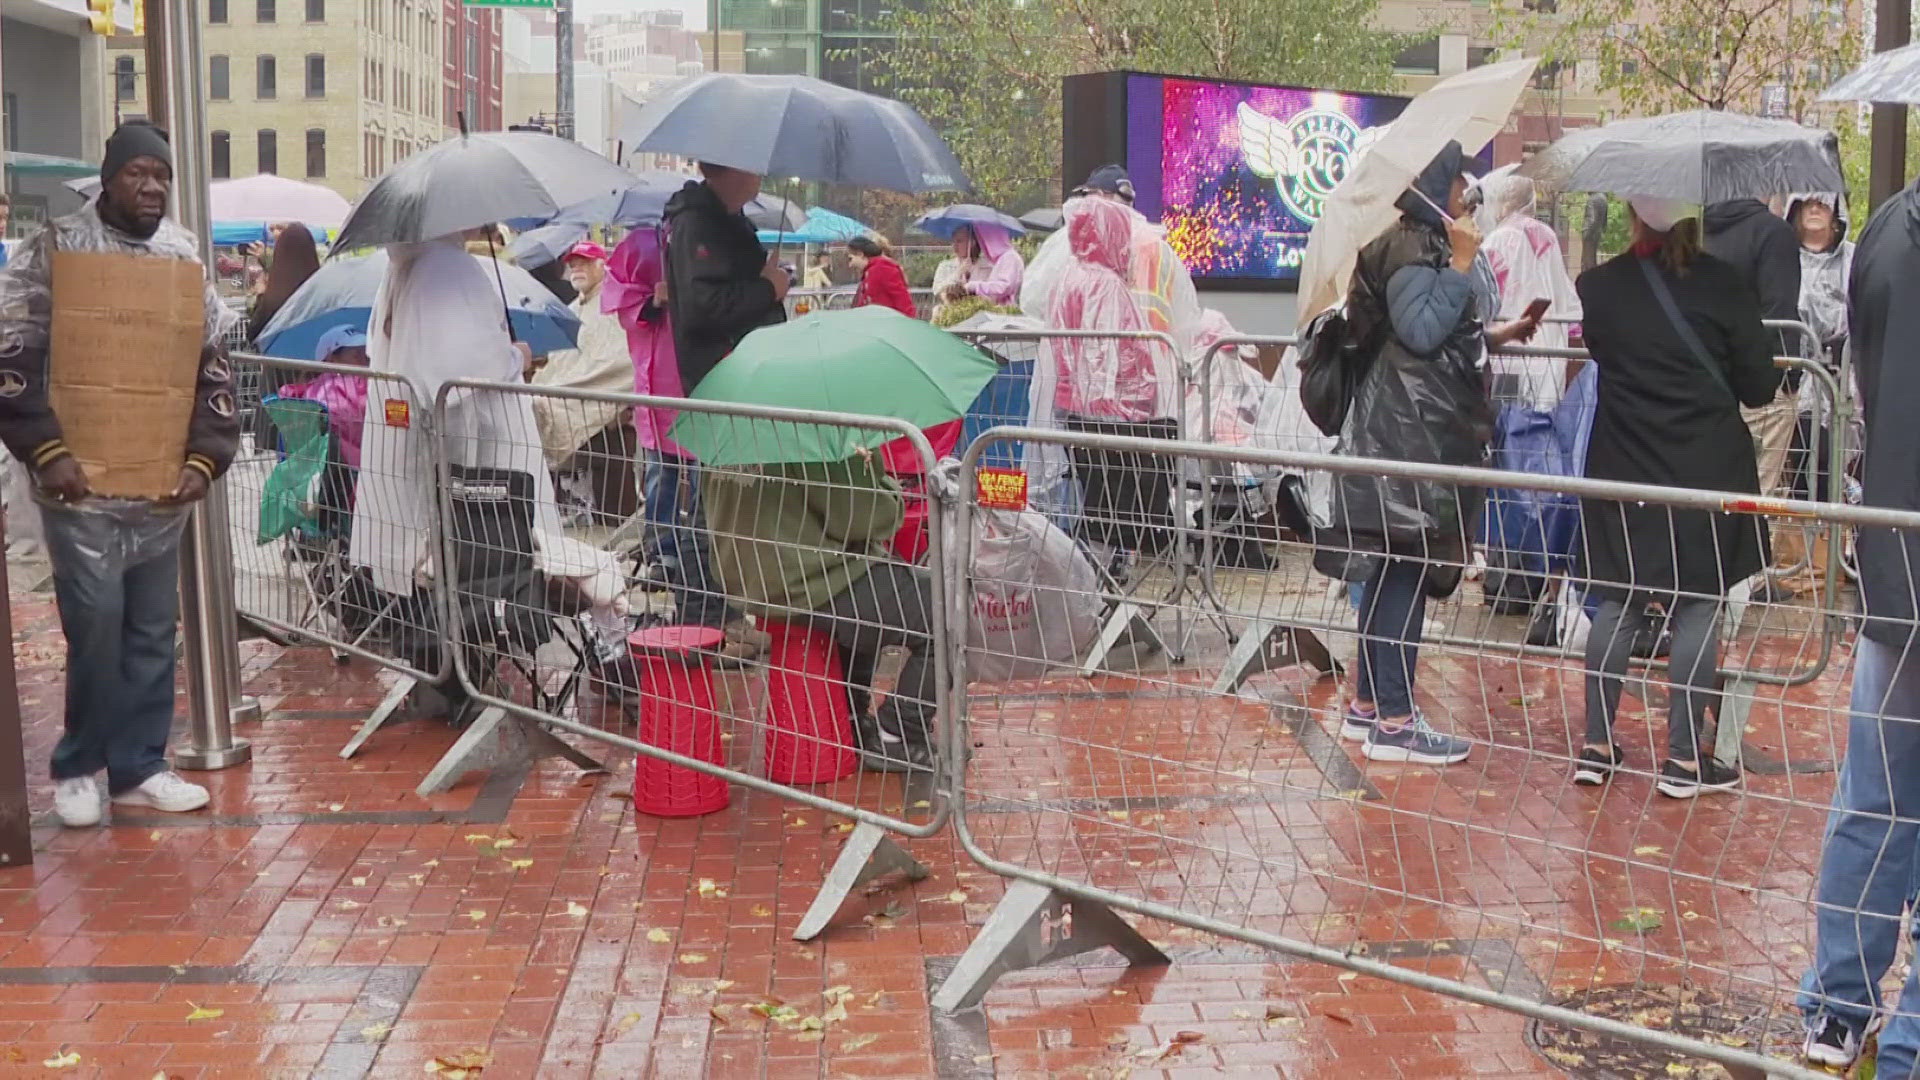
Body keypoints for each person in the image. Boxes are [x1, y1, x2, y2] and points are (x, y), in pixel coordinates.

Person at [0, 121, 241, 826]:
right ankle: (79, 763)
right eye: (137, 172)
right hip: (80, 484)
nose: (152, 186)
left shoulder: (180, 254)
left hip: (162, 485)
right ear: (108, 178)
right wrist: (49, 451)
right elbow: (14, 356)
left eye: (161, 175)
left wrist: (205, 457)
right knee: (96, 626)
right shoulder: (58, 249)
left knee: (150, 628)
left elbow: (210, 361)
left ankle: (139, 765)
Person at [1316, 140, 1540, 767]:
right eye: (1458, 176)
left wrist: (1496, 329)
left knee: (1389, 572)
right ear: (1431, 184)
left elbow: (1426, 330)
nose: (1468, 187)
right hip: (1405, 438)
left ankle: (1369, 707)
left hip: (1401, 431)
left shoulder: (1417, 243)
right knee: (1403, 573)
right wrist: (1463, 264)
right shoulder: (1415, 246)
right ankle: (1394, 719)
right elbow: (1418, 328)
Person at [1571, 196, 1780, 796]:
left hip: (1624, 467)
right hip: (1706, 469)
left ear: (1634, 214)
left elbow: (1605, 357)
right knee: (1697, 604)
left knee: (1618, 598)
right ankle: (1685, 762)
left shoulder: (1599, 288)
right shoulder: (1725, 286)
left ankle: (1595, 745)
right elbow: (1760, 386)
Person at [1796, 172, 1920, 1074]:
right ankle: (1903, 1031)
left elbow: (1870, 376)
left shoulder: (1882, 232)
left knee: (1871, 798)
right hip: (1894, 555)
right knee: (1873, 795)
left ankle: (1838, 1010)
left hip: (1895, 560)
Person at [351, 228, 559, 599]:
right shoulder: (452, 268)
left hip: (417, 429)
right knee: (474, 539)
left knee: (430, 538)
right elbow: (469, 366)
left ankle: (430, 615)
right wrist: (517, 355)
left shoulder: (404, 268)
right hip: (467, 442)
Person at [703, 450, 939, 773]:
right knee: (945, 613)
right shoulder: (821, 428)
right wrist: (886, 485)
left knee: (879, 582)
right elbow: (870, 517)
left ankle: (852, 718)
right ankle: (897, 732)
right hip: (809, 577)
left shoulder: (727, 428)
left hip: (745, 572)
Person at [608, 227, 750, 656]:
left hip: (695, 383)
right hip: (663, 385)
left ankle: (704, 586)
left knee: (700, 483)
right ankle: (664, 552)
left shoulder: (712, 242)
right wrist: (656, 299)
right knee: (662, 476)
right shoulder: (642, 246)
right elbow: (626, 304)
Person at [1044, 196, 1179, 567]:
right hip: (1114, 418)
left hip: (1075, 413)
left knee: (1097, 503)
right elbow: (1115, 356)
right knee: (1118, 505)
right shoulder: (1105, 285)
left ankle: (1092, 573)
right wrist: (1147, 400)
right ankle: (1104, 569)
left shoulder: (1064, 279)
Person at [1704, 196, 1803, 600]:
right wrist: (1784, 376)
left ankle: (1718, 568)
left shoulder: (1702, 230)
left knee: (1718, 475)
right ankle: (1750, 579)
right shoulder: (1773, 232)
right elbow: (1780, 309)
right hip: (1762, 381)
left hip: (1713, 378)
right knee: (1762, 479)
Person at [1025, 165, 1203, 359]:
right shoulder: (1158, 247)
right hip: (1155, 362)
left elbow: (1034, 301)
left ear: (1098, 195)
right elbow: (1185, 316)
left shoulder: (1073, 240)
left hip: (1084, 359)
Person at [1775, 193, 1854, 594]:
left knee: (1837, 461)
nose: (1815, 209)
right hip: (1796, 379)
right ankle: (1805, 554)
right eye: (1806, 202)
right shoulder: (1783, 259)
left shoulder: (1852, 259)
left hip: (1842, 377)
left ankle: (1835, 553)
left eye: (1823, 203)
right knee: (1801, 461)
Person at [529, 242, 640, 524]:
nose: (576, 268)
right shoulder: (570, 309)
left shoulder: (614, 308)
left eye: (584, 262)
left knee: (547, 409)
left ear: (602, 265)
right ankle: (545, 512)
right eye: (573, 263)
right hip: (562, 392)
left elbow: (616, 363)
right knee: (534, 408)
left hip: (599, 402)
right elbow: (560, 360)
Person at [663, 162, 789, 394]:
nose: (760, 173)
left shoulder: (729, 219)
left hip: (743, 369)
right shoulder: (697, 223)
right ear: (732, 170)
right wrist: (768, 289)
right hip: (722, 376)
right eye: (752, 164)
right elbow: (702, 306)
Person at [1476, 173, 1583, 409]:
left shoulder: (1498, 238)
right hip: (1545, 348)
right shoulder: (1547, 235)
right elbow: (1562, 289)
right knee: (1533, 424)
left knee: (1505, 422)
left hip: (1506, 347)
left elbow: (1482, 292)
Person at [278, 324, 370, 470]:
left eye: (365, 353)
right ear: (332, 360)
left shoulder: (310, 391)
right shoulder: (335, 389)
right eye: (356, 354)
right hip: (354, 472)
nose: (364, 359)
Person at [247, 222, 320, 343]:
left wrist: (260, 295)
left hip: (281, 358)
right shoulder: (322, 292)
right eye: (272, 229)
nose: (275, 233)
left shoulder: (274, 296)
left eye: (279, 229)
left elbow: (253, 333)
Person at [847, 236, 916, 317]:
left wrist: (908, 321)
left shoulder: (882, 268)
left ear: (860, 254)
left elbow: (901, 298)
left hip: (889, 323)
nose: (850, 265)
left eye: (851, 258)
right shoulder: (871, 271)